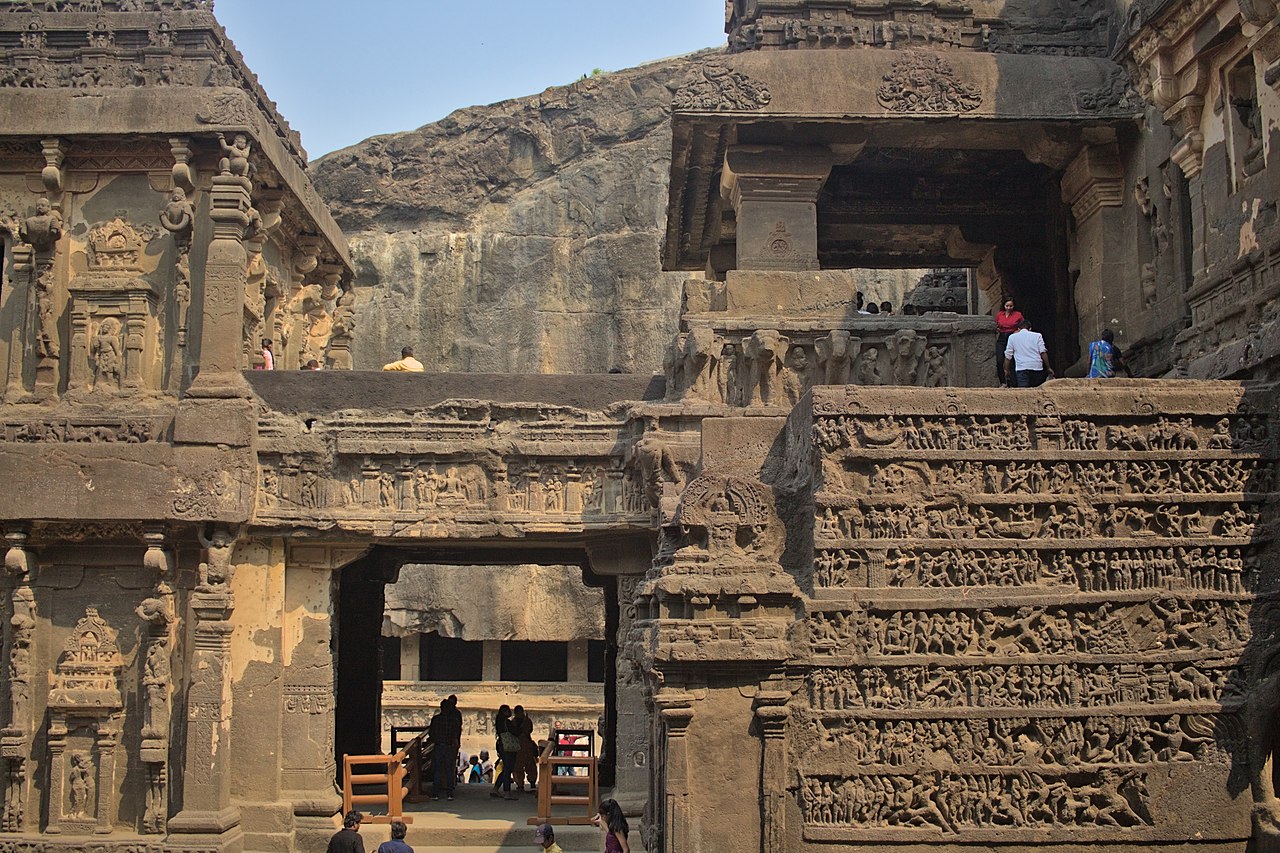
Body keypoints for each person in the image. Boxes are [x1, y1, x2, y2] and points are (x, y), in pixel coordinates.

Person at [1003, 318, 1054, 388]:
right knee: (1037, 391)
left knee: (1024, 393)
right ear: (1030, 328)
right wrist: (1048, 367)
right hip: (1037, 367)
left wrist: (1006, 370)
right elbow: (1043, 353)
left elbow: (1008, 356)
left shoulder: (1012, 337)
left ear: (1018, 329)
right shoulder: (1038, 336)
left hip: (1022, 368)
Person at [428, 697, 461, 801]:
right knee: (449, 769)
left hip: (438, 745)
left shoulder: (436, 719)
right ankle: (450, 793)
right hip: (449, 746)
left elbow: (431, 733)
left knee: (437, 769)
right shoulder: (453, 720)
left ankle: (435, 793)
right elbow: (456, 732)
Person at [994, 296, 1025, 386]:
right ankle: (1003, 382)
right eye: (1007, 306)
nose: (1009, 308)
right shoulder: (1000, 314)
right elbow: (996, 324)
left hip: (1013, 336)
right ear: (1004, 305)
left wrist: (1017, 331)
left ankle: (1014, 382)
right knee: (999, 360)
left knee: (1013, 360)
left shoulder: (1018, 315)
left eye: (1011, 306)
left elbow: (1023, 325)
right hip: (1002, 337)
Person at [491, 704, 519, 800]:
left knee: (506, 768)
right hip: (508, 746)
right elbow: (515, 732)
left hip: (502, 745)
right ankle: (507, 792)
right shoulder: (507, 722)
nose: (510, 712)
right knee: (508, 769)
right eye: (508, 711)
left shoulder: (499, 722)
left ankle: (496, 788)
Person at [512, 704, 538, 792]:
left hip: (526, 746)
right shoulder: (515, 722)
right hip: (519, 746)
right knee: (518, 766)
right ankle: (520, 784)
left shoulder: (526, 721)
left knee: (530, 765)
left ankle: (531, 782)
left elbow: (529, 730)